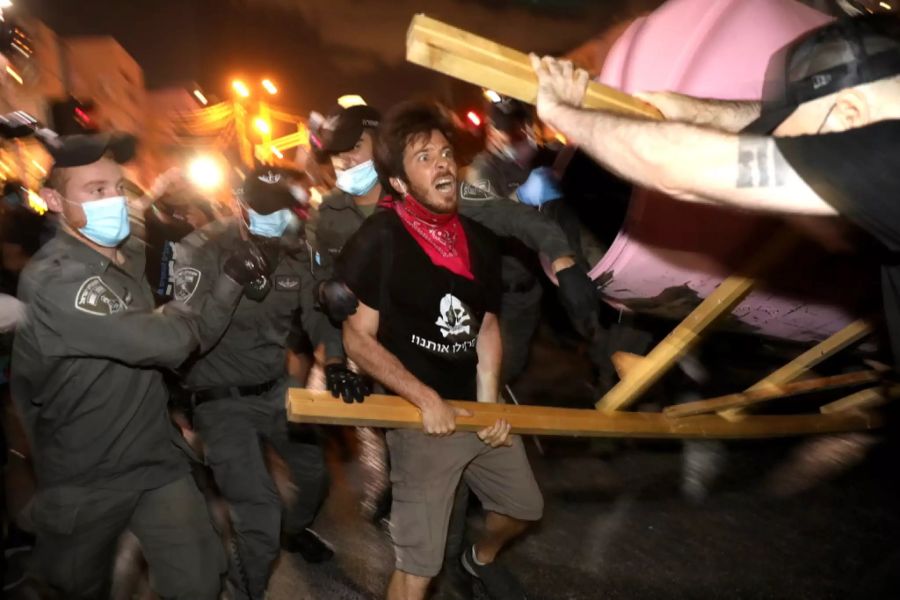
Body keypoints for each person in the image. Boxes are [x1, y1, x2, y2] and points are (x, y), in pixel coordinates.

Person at [530, 14, 900, 364]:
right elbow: (779, 115)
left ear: (850, 116)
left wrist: (562, 112)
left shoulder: (887, 157)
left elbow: (672, 167)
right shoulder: (876, 138)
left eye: (800, 148)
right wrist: (700, 112)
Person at [10, 132, 267, 599]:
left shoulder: (124, 249)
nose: (113, 200)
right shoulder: (56, 283)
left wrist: (154, 196)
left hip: (154, 460)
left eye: (118, 187)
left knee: (199, 578)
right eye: (95, 191)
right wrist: (226, 284)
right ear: (52, 199)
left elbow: (137, 230)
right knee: (70, 588)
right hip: (85, 475)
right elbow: (170, 342)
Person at [338, 100, 543, 600]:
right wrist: (425, 399)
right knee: (418, 568)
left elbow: (487, 323)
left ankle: (480, 558)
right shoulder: (378, 240)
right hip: (419, 420)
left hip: (477, 407)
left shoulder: (478, 239)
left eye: (446, 153)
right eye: (424, 157)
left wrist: (490, 402)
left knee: (524, 508)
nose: (444, 164)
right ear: (401, 184)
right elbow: (356, 338)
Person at [172, 166, 366, 600]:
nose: (274, 218)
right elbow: (186, 334)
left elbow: (318, 314)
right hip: (220, 400)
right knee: (258, 511)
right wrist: (229, 280)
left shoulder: (299, 249)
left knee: (314, 474)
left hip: (277, 389)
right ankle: (244, 589)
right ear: (240, 205)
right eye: (263, 208)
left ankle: (290, 533)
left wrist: (335, 361)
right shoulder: (203, 249)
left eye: (282, 208)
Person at [310, 103, 599, 384]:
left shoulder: (432, 191)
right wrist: (325, 299)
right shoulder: (328, 216)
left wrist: (563, 260)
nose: (345, 160)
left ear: (381, 145)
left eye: (355, 147)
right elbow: (322, 289)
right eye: (337, 153)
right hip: (385, 357)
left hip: (451, 340)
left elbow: (515, 217)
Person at [466, 96, 595, 385]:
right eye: (502, 129)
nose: (509, 136)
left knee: (580, 330)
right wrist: (521, 197)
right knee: (505, 361)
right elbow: (484, 218)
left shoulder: (543, 155)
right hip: (509, 290)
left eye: (518, 129)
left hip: (548, 278)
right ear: (490, 130)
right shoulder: (482, 172)